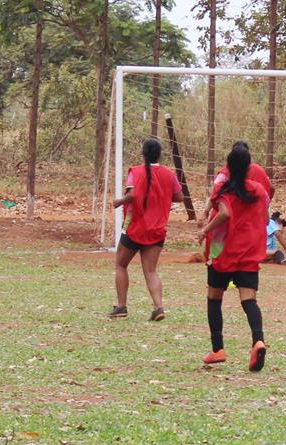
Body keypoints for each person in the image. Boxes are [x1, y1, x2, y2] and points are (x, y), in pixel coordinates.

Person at [198, 141, 269, 371]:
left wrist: (205, 230)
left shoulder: (223, 189)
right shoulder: (258, 190)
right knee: (249, 300)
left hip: (223, 251)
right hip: (249, 252)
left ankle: (217, 349)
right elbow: (266, 218)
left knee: (214, 298)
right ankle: (258, 340)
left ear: (228, 165)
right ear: (249, 167)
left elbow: (225, 213)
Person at [109, 138, 185, 321]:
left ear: (143, 154)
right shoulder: (169, 174)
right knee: (150, 270)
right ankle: (159, 307)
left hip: (135, 227)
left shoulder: (136, 172)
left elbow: (133, 194)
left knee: (121, 264)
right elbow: (180, 196)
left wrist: (120, 201)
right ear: (160, 154)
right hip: (157, 230)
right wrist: (163, 196)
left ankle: (121, 306)